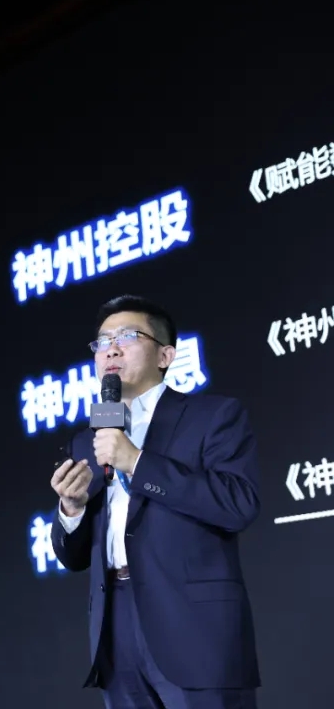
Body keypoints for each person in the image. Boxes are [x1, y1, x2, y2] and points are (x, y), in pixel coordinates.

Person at [49, 295, 261, 709]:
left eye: (127, 337)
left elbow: (238, 503)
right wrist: (71, 510)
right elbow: (73, 557)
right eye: (102, 342)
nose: (111, 349)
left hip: (194, 627)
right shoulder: (87, 441)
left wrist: (136, 461)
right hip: (115, 629)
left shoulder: (213, 416)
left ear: (165, 355)